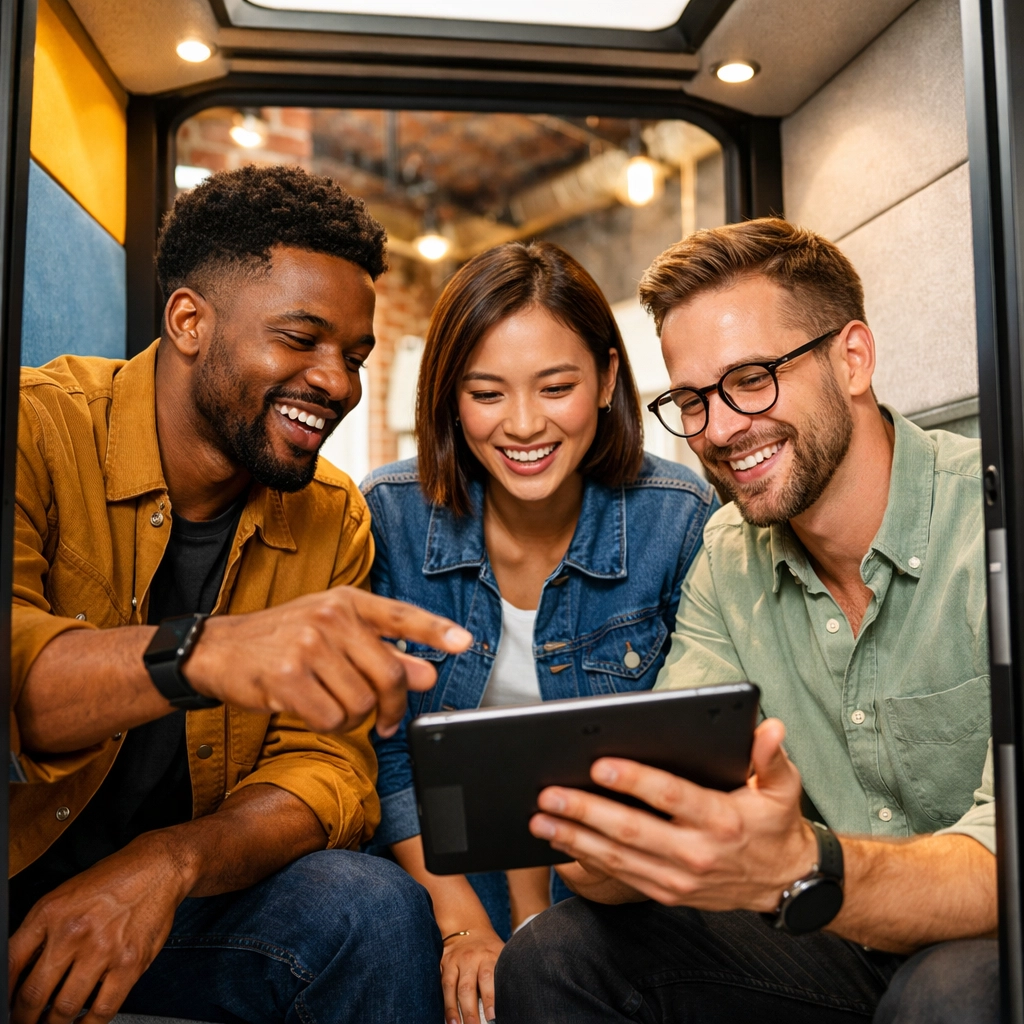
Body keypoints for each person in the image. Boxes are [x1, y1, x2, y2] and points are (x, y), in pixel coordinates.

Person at [496, 219, 999, 1024]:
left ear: (853, 358)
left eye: (752, 379)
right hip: (837, 941)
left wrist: (802, 862)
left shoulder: (991, 521)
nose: (721, 430)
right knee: (557, 953)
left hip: (990, 932)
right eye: (692, 400)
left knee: (947, 990)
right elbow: (676, 798)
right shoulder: (728, 553)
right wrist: (606, 842)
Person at [8, 164, 474, 1024]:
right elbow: (14, 681)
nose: (337, 383)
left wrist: (169, 862)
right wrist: (206, 654)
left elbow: (327, 766)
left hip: (182, 902)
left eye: (354, 356)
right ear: (189, 321)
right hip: (14, 883)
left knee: (371, 908)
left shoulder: (333, 515)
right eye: (301, 339)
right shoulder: (33, 432)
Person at [360, 240, 718, 1024]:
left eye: (557, 387)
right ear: (449, 396)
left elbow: (692, 750)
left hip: (611, 878)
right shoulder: (388, 514)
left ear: (607, 380)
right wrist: (462, 925)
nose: (523, 425)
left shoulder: (679, 518)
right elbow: (384, 756)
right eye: (486, 393)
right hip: (441, 867)